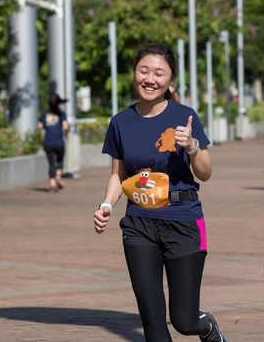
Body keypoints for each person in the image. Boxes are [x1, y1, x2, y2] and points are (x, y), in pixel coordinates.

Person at [92, 43, 227, 342]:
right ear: (134, 73)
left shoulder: (185, 116)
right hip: (139, 224)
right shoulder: (120, 122)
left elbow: (205, 173)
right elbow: (118, 174)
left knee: (184, 321)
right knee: (152, 321)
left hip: (184, 221)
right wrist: (106, 205)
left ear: (170, 79)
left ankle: (206, 326)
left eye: (159, 73)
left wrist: (192, 146)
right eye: (144, 71)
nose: (150, 79)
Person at [38, 93, 69, 193]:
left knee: (51, 164)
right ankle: (58, 176)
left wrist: (47, 125)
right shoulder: (61, 114)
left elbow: (39, 126)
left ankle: (52, 185)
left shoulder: (45, 113)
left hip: (48, 142)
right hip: (59, 142)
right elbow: (65, 127)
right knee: (60, 161)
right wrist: (67, 134)